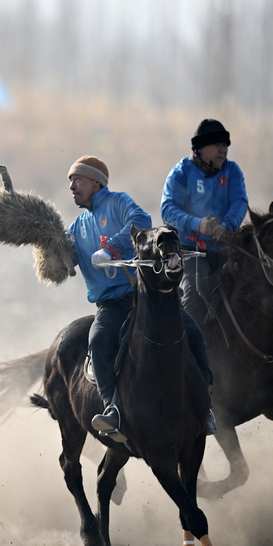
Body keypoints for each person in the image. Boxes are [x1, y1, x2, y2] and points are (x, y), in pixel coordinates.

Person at [67, 155, 216, 437]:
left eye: (78, 179)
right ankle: (114, 409)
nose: (72, 186)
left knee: (194, 334)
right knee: (98, 342)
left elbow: (141, 220)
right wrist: (45, 246)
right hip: (109, 306)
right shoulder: (77, 227)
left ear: (96, 182)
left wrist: (110, 249)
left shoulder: (118, 201)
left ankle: (205, 404)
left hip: (142, 298)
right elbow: (61, 253)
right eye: (71, 181)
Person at [161, 118, 248, 326]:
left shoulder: (232, 171)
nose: (223, 151)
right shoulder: (181, 173)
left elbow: (239, 201)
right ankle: (186, 351)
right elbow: (168, 209)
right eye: (217, 145)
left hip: (224, 249)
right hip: (189, 251)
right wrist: (198, 224)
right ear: (199, 148)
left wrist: (227, 226)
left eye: (225, 146)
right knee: (196, 292)